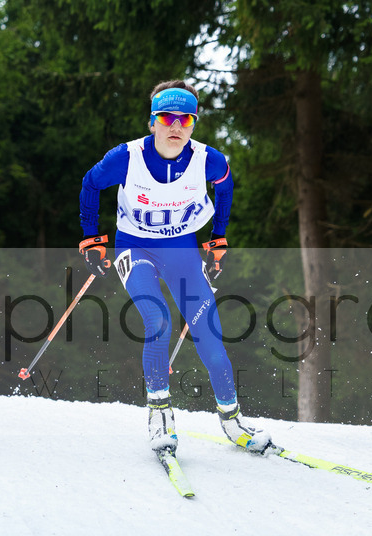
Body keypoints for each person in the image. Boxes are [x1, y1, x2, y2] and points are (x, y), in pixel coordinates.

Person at [78, 80, 270, 455]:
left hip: (181, 250)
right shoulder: (126, 157)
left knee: (210, 336)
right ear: (153, 121)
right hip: (135, 247)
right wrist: (91, 237)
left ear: (194, 124)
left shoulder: (209, 160)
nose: (176, 126)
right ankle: (160, 416)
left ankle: (233, 422)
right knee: (158, 319)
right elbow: (91, 182)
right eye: (167, 117)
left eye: (186, 119)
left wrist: (218, 238)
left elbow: (226, 187)